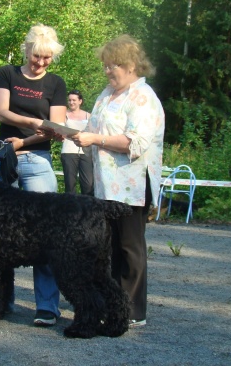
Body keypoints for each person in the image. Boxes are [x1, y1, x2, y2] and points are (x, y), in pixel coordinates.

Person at [71, 35, 165, 328]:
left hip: (132, 185)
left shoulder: (143, 97)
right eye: (106, 65)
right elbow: (91, 128)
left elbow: (136, 143)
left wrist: (95, 139)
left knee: (129, 247)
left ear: (133, 65)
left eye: (115, 65)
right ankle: (113, 304)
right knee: (108, 247)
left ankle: (134, 310)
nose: (108, 71)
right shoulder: (106, 95)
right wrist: (62, 131)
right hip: (105, 185)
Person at [0, 23, 66, 327]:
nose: (41, 63)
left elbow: (57, 127)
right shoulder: (6, 73)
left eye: (47, 59)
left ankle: (47, 306)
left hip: (37, 156)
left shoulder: (56, 84)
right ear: (27, 50)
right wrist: (35, 122)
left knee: (47, 230)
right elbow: (1, 112)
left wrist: (24, 138)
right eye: (37, 57)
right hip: (4, 157)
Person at [60, 90, 94, 196]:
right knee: (70, 183)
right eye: (69, 100)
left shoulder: (89, 116)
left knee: (88, 184)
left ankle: (88, 209)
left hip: (86, 152)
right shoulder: (63, 115)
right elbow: (59, 130)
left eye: (74, 100)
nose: (71, 102)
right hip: (68, 151)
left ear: (80, 101)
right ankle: (71, 210)